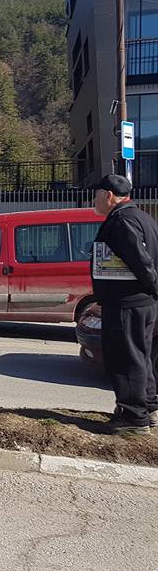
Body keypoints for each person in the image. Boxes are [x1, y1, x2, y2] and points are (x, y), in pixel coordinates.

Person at [91, 174, 158, 435]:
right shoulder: (142, 217)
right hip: (140, 303)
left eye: (96, 195)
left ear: (108, 195)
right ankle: (148, 409)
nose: (94, 200)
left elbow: (142, 263)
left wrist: (153, 287)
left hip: (127, 304)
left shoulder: (121, 221)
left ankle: (133, 417)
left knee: (125, 359)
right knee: (141, 357)